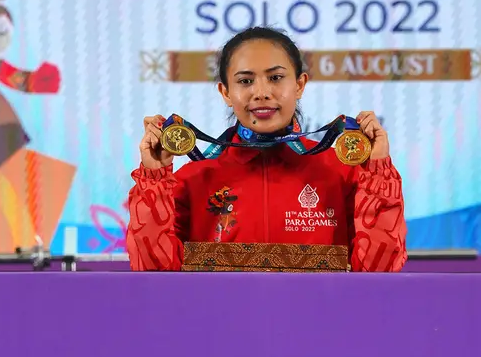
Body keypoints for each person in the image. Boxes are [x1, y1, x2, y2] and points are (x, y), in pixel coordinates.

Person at [126, 27, 407, 272]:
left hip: (321, 330)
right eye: (245, 81)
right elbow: (153, 274)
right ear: (225, 92)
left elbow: (379, 271)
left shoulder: (339, 172)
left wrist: (377, 172)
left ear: (299, 85)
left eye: (275, 78)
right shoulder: (194, 178)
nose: (261, 92)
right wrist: (155, 177)